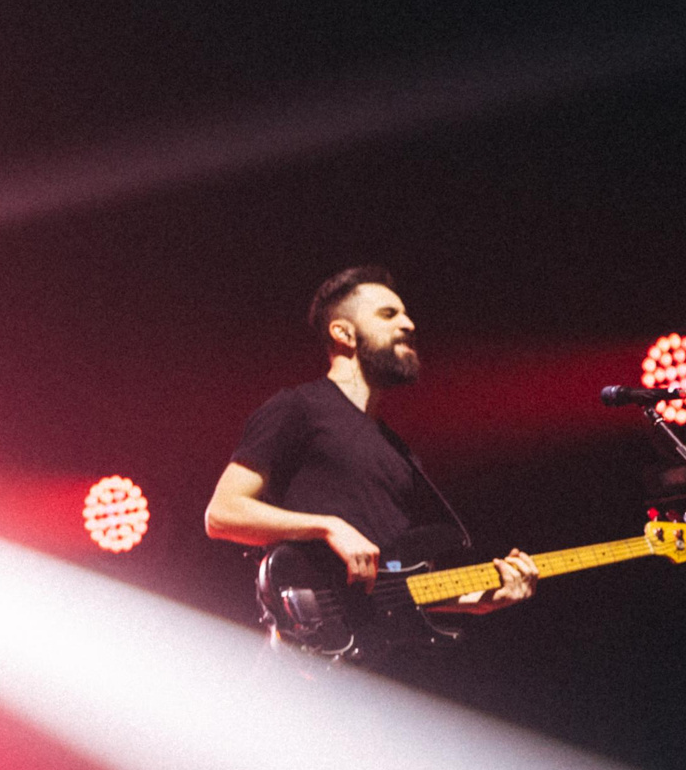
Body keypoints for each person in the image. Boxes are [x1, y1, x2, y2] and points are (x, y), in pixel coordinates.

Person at [204, 266, 536, 628]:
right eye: (388, 314)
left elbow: (397, 586)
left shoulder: (397, 451)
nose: (409, 324)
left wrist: (482, 600)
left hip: (384, 655)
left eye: (406, 314)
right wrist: (328, 527)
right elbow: (222, 514)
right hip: (310, 644)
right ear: (343, 332)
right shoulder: (300, 407)